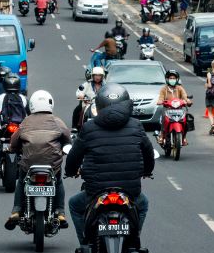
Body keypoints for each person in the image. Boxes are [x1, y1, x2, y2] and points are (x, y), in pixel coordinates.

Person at [65, 83, 155, 244]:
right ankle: (134, 237)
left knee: (74, 205)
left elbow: (73, 157)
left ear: (99, 105)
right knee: (143, 203)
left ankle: (85, 244)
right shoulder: (136, 125)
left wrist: (71, 171)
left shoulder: (89, 127)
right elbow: (148, 153)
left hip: (96, 192)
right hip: (130, 192)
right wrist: (147, 171)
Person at [5, 90, 71, 229]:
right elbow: (67, 139)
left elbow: (14, 142)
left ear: (32, 105)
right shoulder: (57, 121)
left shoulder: (25, 122)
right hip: (52, 166)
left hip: (29, 165)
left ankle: (16, 210)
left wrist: (13, 149)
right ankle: (60, 212)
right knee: (58, 182)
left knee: (21, 183)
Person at [0, 73, 28, 175]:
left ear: (4, 85)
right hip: (21, 130)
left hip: (3, 129)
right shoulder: (24, 98)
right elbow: (30, 114)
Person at [157, 68, 192, 146]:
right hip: (167, 109)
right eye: (170, 78)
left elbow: (184, 96)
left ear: (177, 79)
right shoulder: (164, 89)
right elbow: (161, 98)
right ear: (167, 79)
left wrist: (188, 101)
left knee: (187, 120)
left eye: (174, 78)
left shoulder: (179, 88)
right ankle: (162, 136)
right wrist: (160, 101)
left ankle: (184, 137)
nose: (172, 79)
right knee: (162, 118)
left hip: (179, 110)